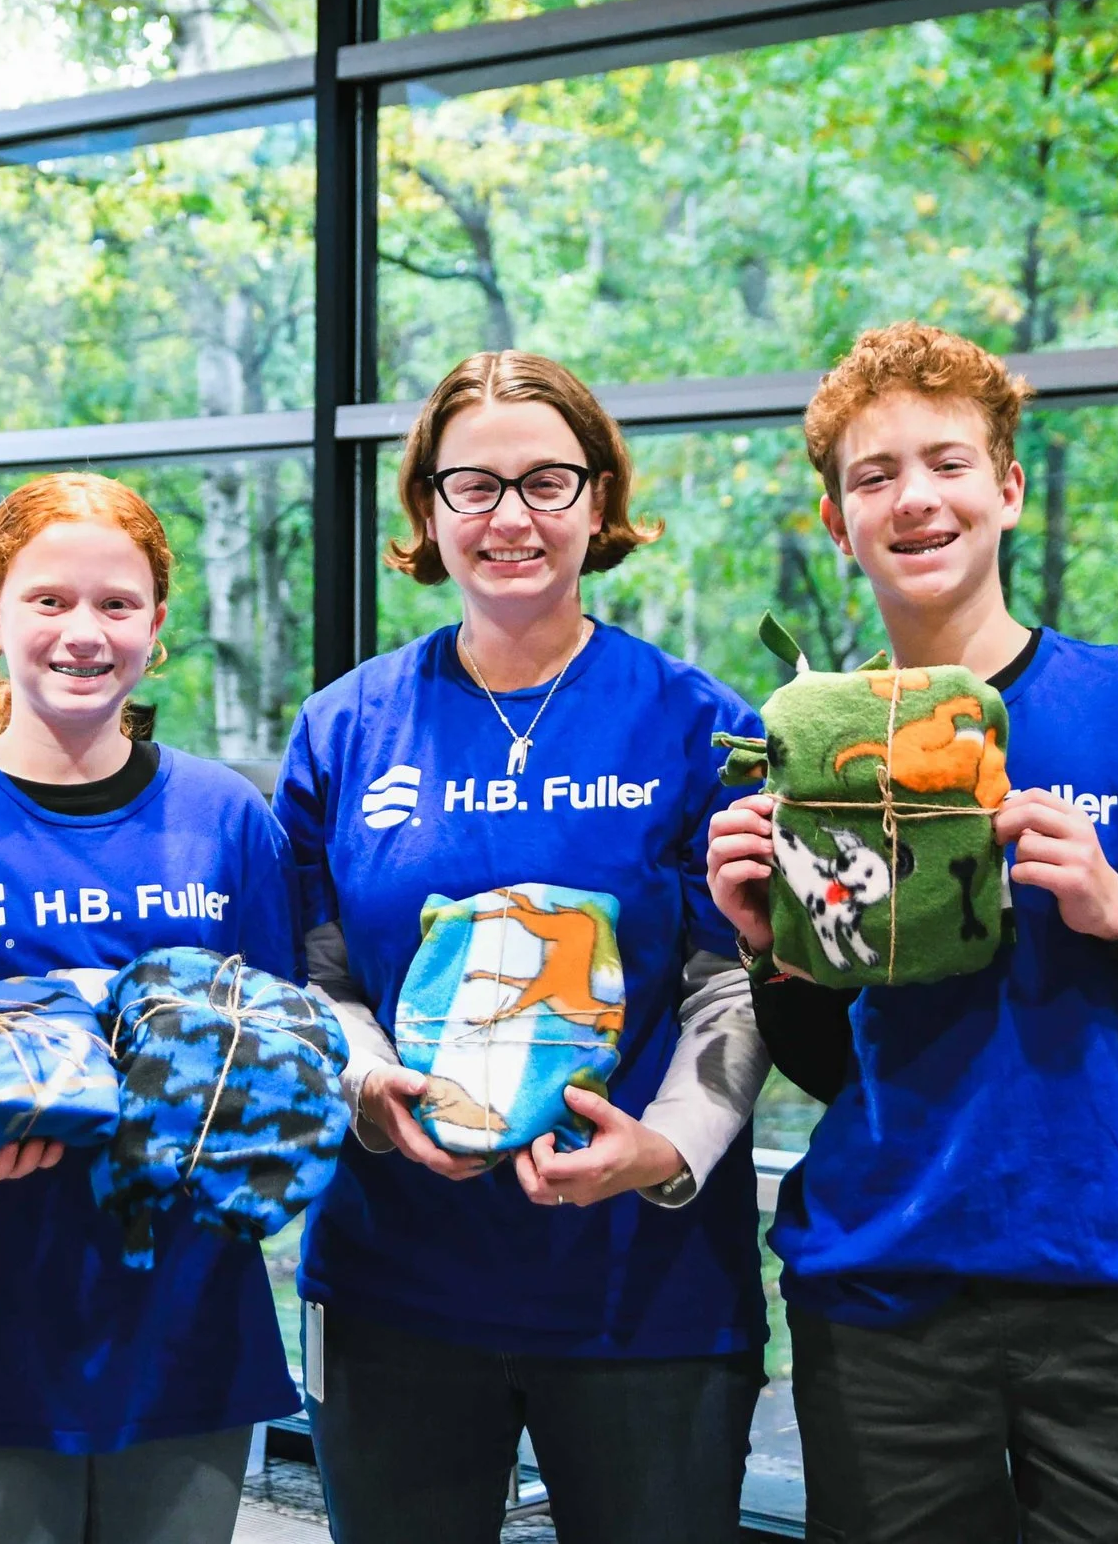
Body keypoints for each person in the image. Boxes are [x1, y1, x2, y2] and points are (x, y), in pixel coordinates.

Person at [705, 322, 1118, 1544]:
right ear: (836, 520)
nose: (913, 498)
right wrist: (776, 945)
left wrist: (1115, 903)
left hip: (1116, 1297)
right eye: (874, 477)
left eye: (947, 463)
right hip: (881, 1302)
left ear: (1008, 489)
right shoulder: (818, 745)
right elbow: (834, 1066)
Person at [274, 350, 775, 1544]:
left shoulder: (703, 722)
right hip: (394, 1279)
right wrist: (366, 1086)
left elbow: (734, 982)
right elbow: (315, 976)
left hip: (643, 1288)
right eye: (474, 486)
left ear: (598, 500)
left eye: (548, 481)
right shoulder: (343, 727)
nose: (511, 517)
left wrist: (665, 1147)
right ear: (427, 509)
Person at [0, 472, 301, 1544]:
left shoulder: (227, 816)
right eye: (49, 600)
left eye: (116, 604)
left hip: (187, 1319)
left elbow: (275, 1047)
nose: (83, 631)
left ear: (157, 625)